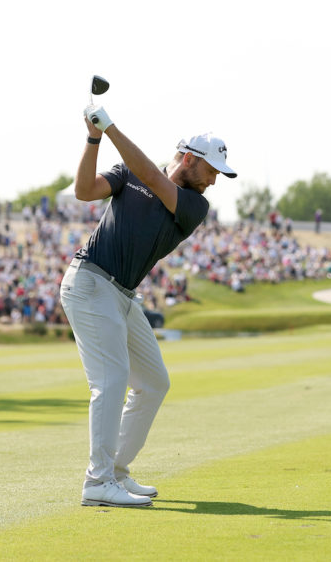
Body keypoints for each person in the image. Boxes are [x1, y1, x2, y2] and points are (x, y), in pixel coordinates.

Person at [60, 99, 236, 508]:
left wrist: (111, 127)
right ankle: (98, 481)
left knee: (154, 382)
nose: (214, 180)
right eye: (211, 170)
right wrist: (93, 137)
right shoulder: (128, 175)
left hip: (122, 295)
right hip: (89, 282)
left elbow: (156, 179)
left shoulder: (194, 205)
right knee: (110, 381)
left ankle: (116, 471)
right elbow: (85, 191)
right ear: (190, 160)